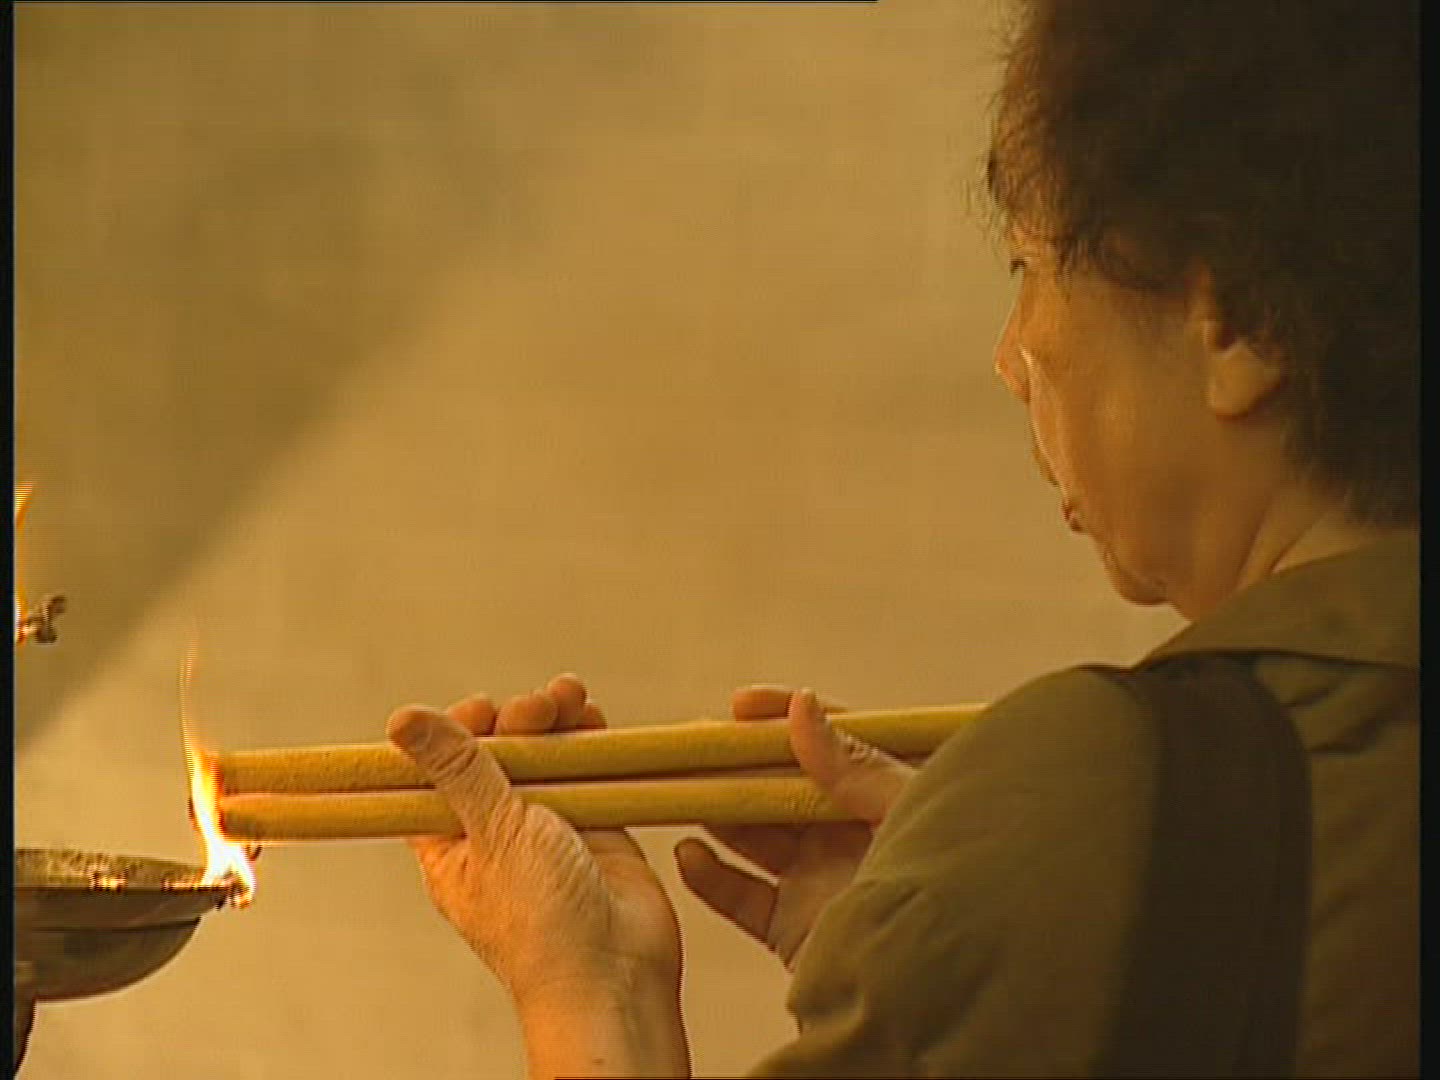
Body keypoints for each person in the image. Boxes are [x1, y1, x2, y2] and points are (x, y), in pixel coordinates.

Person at [383, 0, 1418, 1074]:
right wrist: (970, 944)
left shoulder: (1120, 793)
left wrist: (581, 988)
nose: (1012, 358)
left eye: (1028, 267)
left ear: (1239, 324)